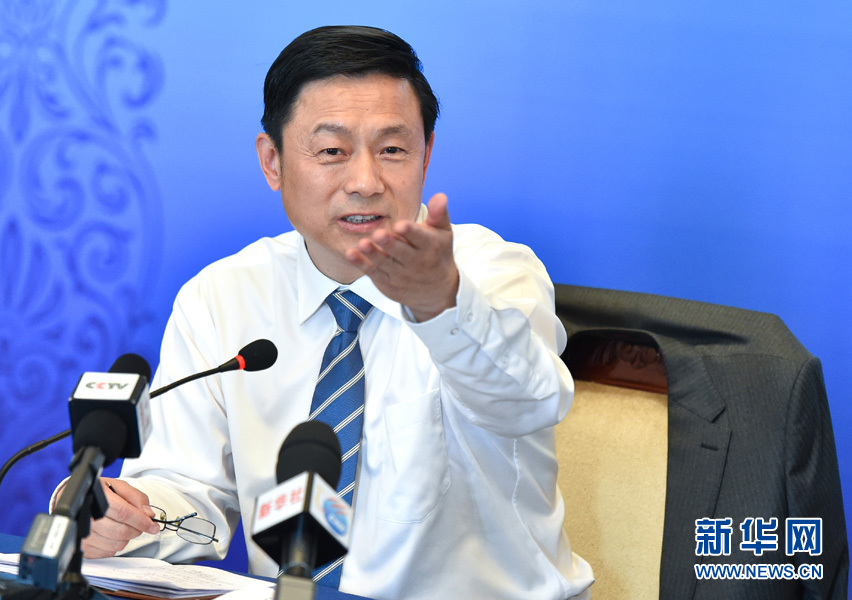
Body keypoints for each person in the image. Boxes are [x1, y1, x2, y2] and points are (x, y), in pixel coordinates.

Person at [63, 25, 594, 600]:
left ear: (426, 155)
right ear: (273, 161)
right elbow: (192, 497)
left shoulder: (493, 274)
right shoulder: (222, 298)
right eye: (333, 152)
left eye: (393, 150)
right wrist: (126, 518)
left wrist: (440, 305)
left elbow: (528, 402)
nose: (365, 182)